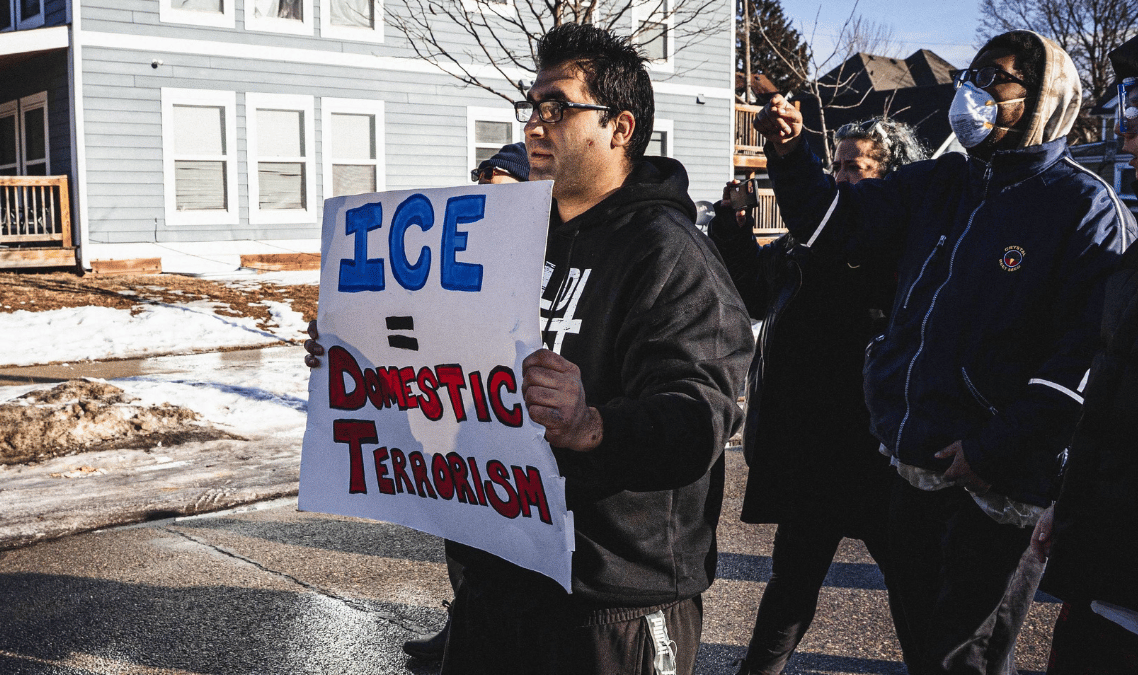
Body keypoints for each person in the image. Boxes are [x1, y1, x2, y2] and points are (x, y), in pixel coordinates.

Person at [753, 30, 1136, 674]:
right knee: (922, 651)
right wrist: (790, 152)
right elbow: (832, 224)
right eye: (971, 74)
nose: (972, 91)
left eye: (995, 78)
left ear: (1043, 97)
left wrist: (992, 450)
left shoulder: (1084, 207)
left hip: (995, 486)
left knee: (965, 659)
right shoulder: (942, 181)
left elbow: (1086, 360)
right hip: (913, 466)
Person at [440, 23, 750, 674]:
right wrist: (365, 352)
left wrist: (593, 425)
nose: (534, 125)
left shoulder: (671, 255)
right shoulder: (513, 236)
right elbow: (458, 359)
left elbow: (699, 417)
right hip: (497, 575)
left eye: (558, 107)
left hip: (610, 601)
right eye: (532, 106)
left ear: (620, 128)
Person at [709, 118, 927, 675]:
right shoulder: (805, 240)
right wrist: (734, 227)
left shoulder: (900, 247)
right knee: (793, 580)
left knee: (911, 582)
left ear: (891, 178)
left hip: (874, 449)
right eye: (836, 166)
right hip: (813, 446)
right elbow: (750, 294)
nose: (840, 177)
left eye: (855, 167)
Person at [399, 140, 532, 664]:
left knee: (514, 540)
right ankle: (464, 620)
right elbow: (410, 326)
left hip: (519, 417)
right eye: (482, 190)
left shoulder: (549, 255)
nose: (487, 205)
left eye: (501, 193)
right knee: (463, 527)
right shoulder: (453, 257)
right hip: (463, 413)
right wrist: (345, 345)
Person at [1029, 34, 1138, 675]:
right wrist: (1069, 504)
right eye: (1129, 104)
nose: (1126, 130)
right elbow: (1112, 401)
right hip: (1107, 581)